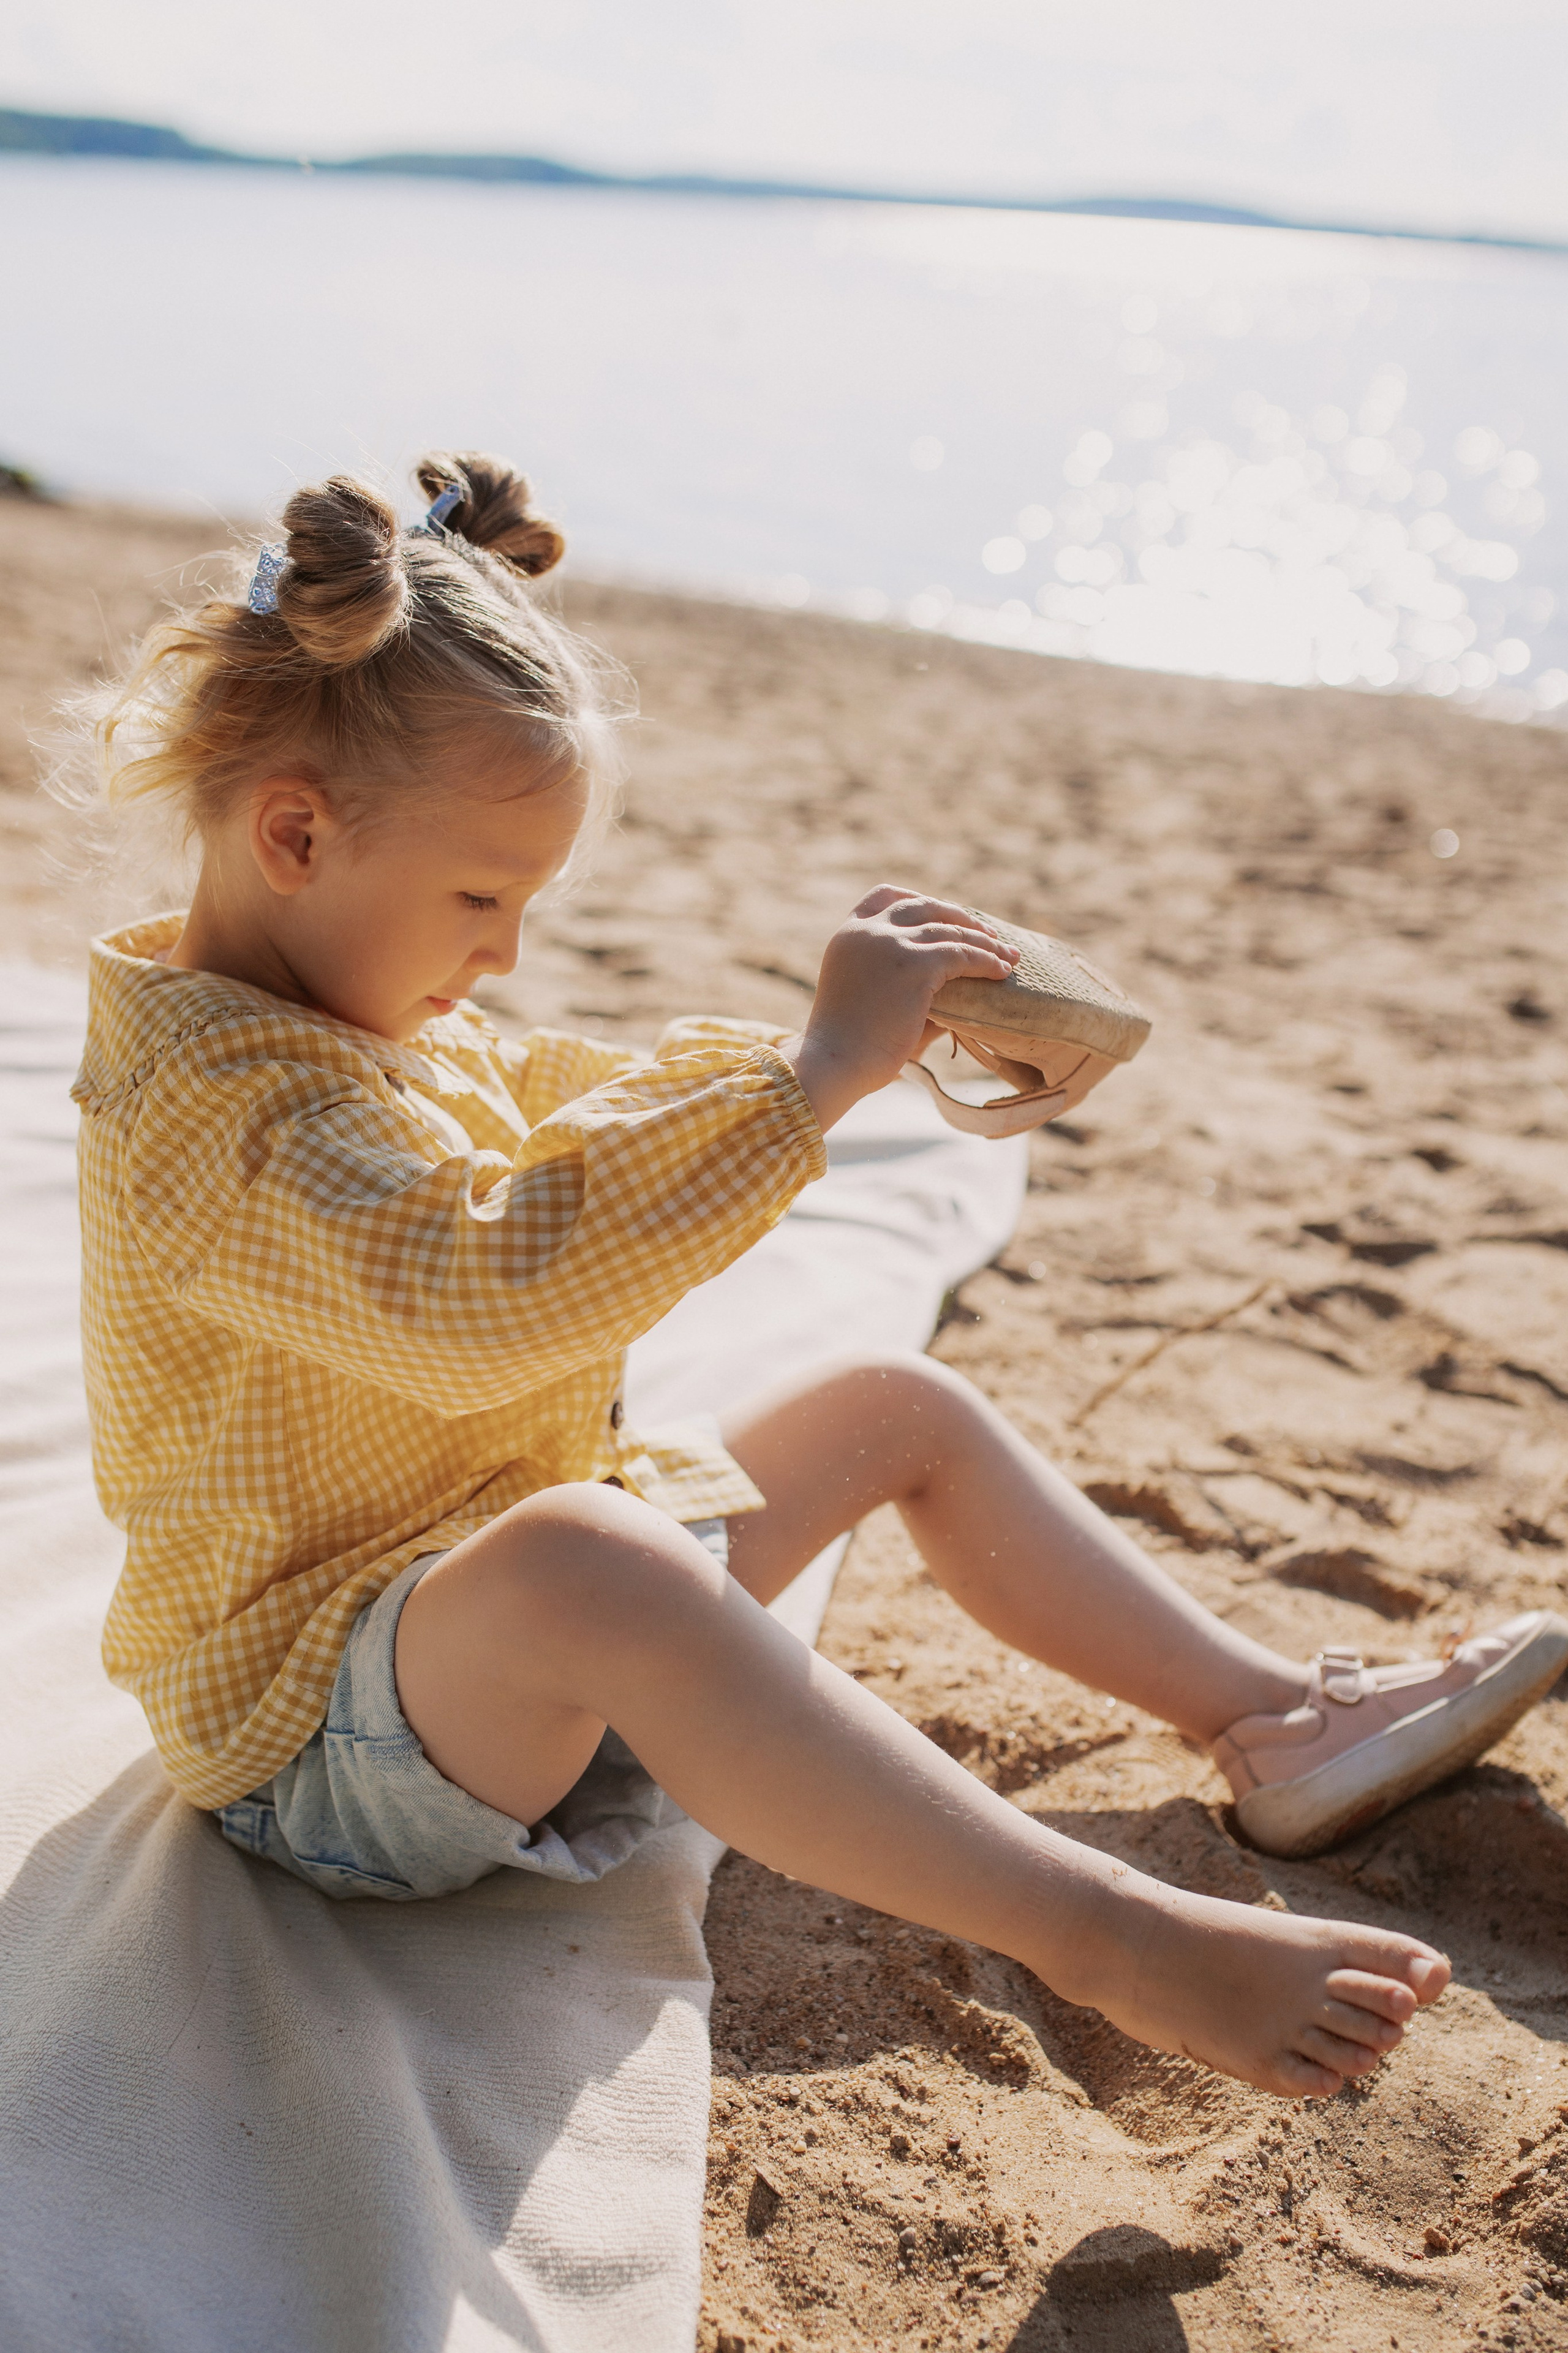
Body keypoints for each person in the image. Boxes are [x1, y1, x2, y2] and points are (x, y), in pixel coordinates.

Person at [72, 453, 1566, 2107]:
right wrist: (811, 1086)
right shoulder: (208, 1120)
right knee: (596, 1552)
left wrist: (843, 1045)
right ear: (293, 831)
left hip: (489, 1626)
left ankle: (1276, 1717)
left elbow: (586, 1093)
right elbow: (485, 1291)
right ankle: (1111, 1934)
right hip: (324, 1746)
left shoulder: (357, 1015)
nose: (501, 953)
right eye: (483, 898)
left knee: (887, 1407)